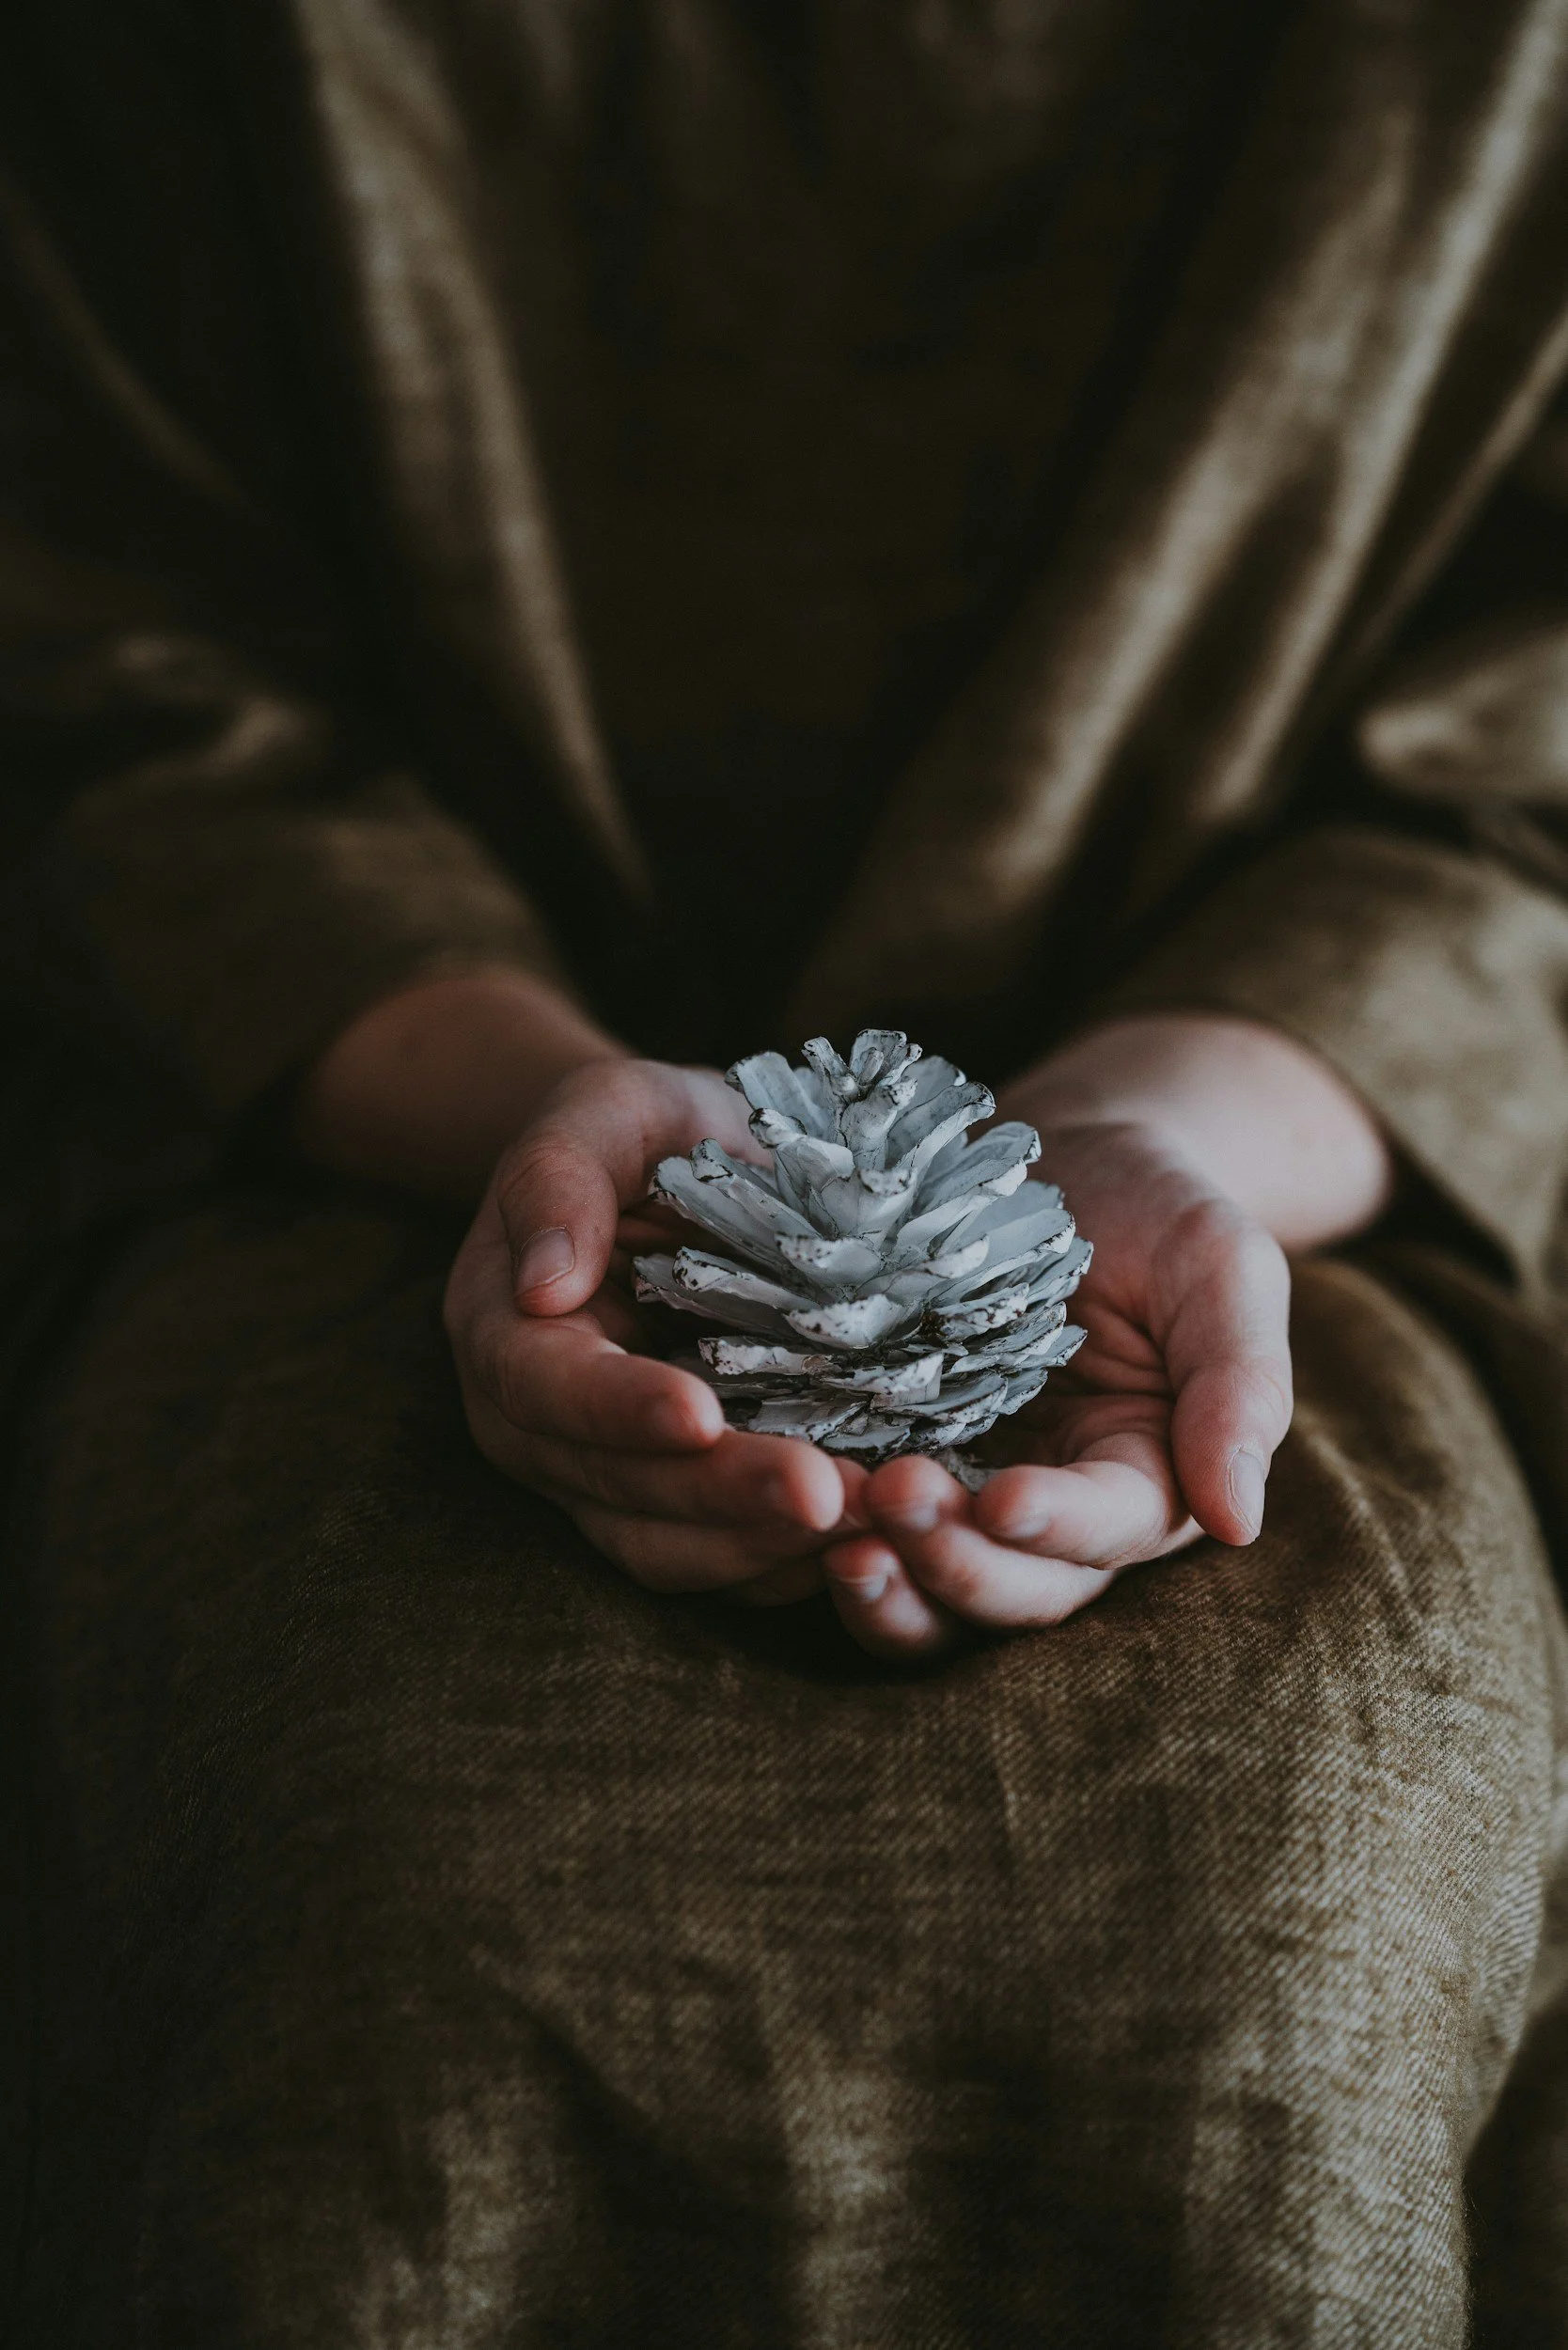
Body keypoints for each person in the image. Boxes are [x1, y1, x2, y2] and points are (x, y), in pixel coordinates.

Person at [5, 1, 1568, 2340]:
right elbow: (114, 669)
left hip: (1285, 1141)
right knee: (403, 1918)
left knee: (1282, 1920)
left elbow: (1525, 743)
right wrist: (534, 1101)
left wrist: (1168, 1132)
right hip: (361, 1127)